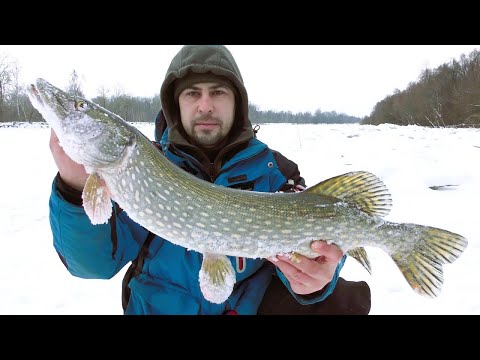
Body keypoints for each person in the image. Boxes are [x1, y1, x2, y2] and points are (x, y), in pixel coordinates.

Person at [48, 45, 371, 315]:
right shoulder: (139, 169)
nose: (205, 105)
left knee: (339, 301)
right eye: (192, 94)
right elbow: (92, 266)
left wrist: (317, 278)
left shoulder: (278, 172)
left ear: (238, 102)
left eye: (217, 92)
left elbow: (315, 241)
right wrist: (74, 187)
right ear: (175, 104)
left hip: (247, 306)